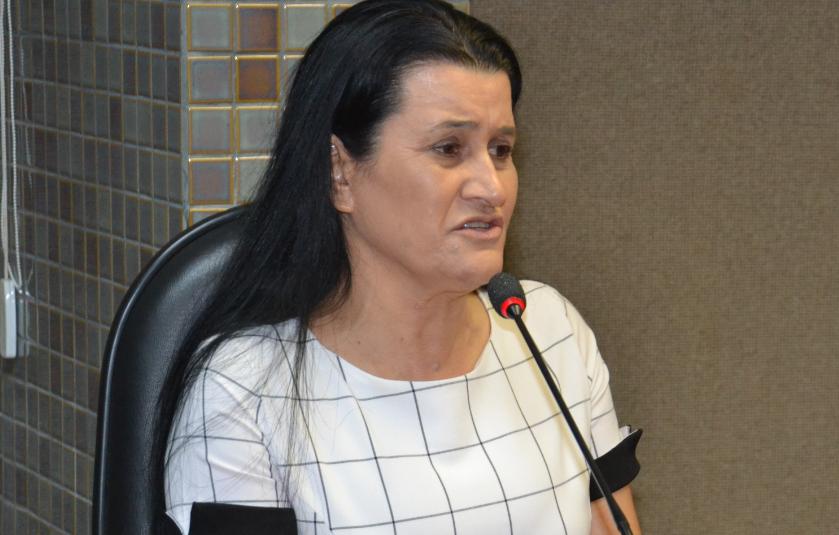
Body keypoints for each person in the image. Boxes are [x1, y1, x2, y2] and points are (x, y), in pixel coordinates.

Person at [154, 1, 642, 533]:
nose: (492, 187)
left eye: (501, 149)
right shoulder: (244, 390)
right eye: (449, 148)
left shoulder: (551, 332)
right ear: (340, 172)